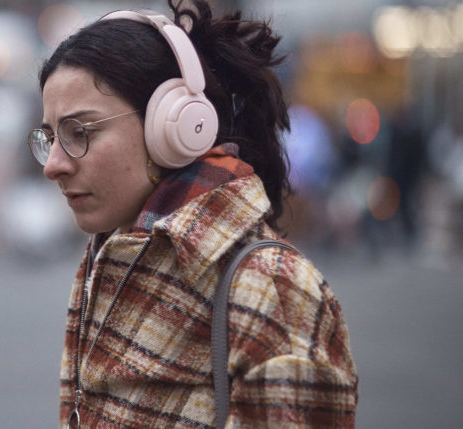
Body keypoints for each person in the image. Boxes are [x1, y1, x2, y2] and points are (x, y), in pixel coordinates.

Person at [26, 0, 358, 427]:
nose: (52, 164)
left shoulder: (274, 287)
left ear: (174, 127)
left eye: (79, 132)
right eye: (50, 137)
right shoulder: (111, 254)